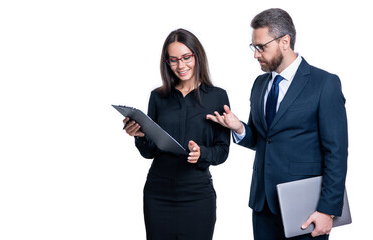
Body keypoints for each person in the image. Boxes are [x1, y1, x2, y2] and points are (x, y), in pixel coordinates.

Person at [207, 8, 348, 240]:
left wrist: (327, 210)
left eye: (262, 47)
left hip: (306, 208)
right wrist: (240, 128)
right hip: (263, 205)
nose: (256, 54)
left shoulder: (324, 84)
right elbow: (263, 139)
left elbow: (336, 152)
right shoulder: (260, 84)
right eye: (254, 47)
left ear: (285, 41)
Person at [122, 28, 231, 240]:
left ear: (197, 56)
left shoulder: (217, 96)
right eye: (173, 60)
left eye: (186, 57)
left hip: (197, 195)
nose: (181, 66)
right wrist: (139, 136)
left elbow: (222, 151)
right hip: (158, 193)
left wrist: (202, 153)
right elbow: (149, 152)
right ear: (167, 63)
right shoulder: (158, 97)